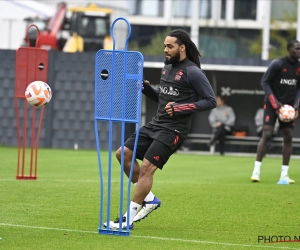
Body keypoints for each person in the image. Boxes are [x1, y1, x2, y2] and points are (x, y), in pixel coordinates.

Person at [105, 29, 217, 230]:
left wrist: (180, 108)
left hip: (174, 130)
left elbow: (210, 101)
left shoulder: (193, 72)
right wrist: (148, 90)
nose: (165, 49)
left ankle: (127, 219)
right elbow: (164, 101)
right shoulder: (166, 69)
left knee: (147, 167)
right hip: (156, 124)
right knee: (123, 154)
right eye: (164, 46)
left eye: (170, 46)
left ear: (181, 47)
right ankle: (149, 199)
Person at [250, 39, 300, 184]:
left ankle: (284, 175)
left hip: (289, 107)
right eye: (297, 48)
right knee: (267, 132)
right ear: (289, 49)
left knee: (288, 135)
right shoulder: (277, 64)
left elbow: (299, 88)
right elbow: (264, 82)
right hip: (273, 104)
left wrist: (296, 105)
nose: (299, 51)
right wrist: (276, 105)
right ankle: (256, 171)